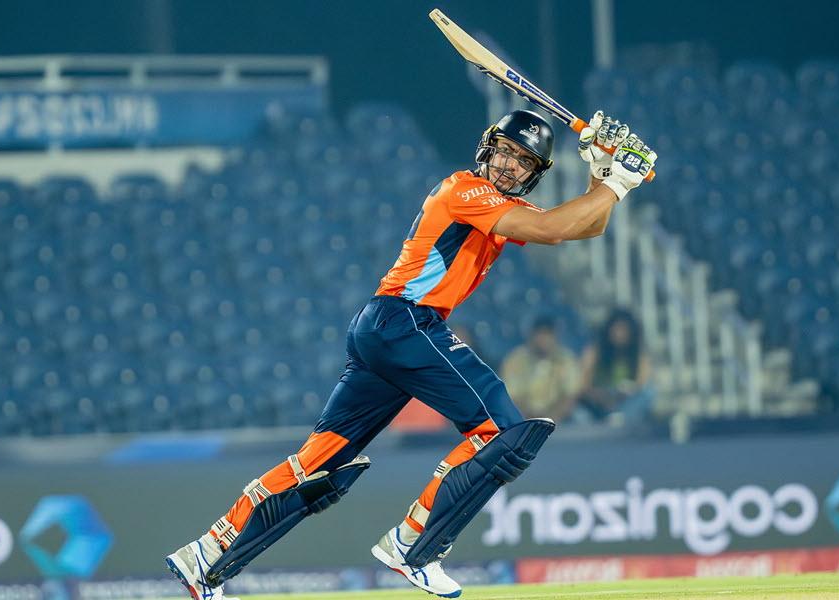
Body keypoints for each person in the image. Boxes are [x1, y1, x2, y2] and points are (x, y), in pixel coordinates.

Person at [165, 110, 656, 599]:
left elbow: (583, 228)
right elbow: (553, 228)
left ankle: (206, 555)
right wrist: (615, 184)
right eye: (505, 151)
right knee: (503, 432)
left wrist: (604, 173)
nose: (509, 166)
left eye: (523, 161)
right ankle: (412, 546)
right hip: (405, 322)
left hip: (383, 328)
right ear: (487, 148)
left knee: (319, 462)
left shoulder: (493, 209)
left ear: (532, 175)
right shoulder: (467, 191)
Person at [577, 308, 654, 425]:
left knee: (649, 392)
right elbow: (582, 386)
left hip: (624, 401)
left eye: (623, 330)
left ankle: (618, 418)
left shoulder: (639, 355)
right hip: (598, 401)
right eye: (616, 329)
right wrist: (601, 397)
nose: (619, 334)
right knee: (579, 413)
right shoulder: (594, 352)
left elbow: (640, 384)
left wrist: (624, 394)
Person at [500, 314, 583, 421]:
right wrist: (529, 418)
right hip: (522, 418)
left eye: (548, 334)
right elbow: (511, 396)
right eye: (540, 334)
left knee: (581, 417)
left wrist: (551, 418)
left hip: (559, 418)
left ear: (555, 337)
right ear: (531, 336)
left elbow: (570, 395)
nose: (544, 340)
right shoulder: (515, 360)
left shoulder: (566, 359)